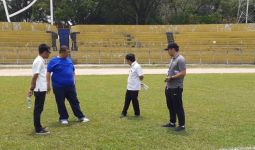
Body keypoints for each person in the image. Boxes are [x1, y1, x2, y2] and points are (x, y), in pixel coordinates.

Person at [46, 45, 89, 125]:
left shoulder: (69, 60)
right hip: (58, 87)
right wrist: (48, 85)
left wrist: (74, 81)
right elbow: (48, 73)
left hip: (70, 86)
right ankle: (63, 118)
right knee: (60, 102)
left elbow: (73, 71)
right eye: (67, 53)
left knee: (75, 101)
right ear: (61, 52)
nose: (68, 54)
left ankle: (80, 116)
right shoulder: (53, 61)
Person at [162, 42, 186, 132]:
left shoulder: (180, 59)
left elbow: (183, 73)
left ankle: (182, 125)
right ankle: (172, 122)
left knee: (178, 106)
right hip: (169, 87)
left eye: (168, 50)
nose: (167, 52)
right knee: (170, 106)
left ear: (172, 49)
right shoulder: (173, 59)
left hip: (176, 87)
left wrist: (171, 77)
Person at [28, 44, 51, 135]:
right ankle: (38, 129)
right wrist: (31, 89)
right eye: (48, 52)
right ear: (44, 52)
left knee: (39, 109)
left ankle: (39, 126)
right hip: (39, 89)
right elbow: (35, 76)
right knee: (38, 109)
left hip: (41, 88)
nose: (49, 54)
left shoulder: (41, 61)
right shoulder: (39, 61)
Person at [120, 53, 144, 118]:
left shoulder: (137, 66)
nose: (126, 62)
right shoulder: (132, 66)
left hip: (134, 88)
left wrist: (138, 82)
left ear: (129, 60)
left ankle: (137, 114)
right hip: (129, 87)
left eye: (126, 60)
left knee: (134, 101)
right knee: (127, 100)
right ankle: (123, 113)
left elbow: (141, 76)